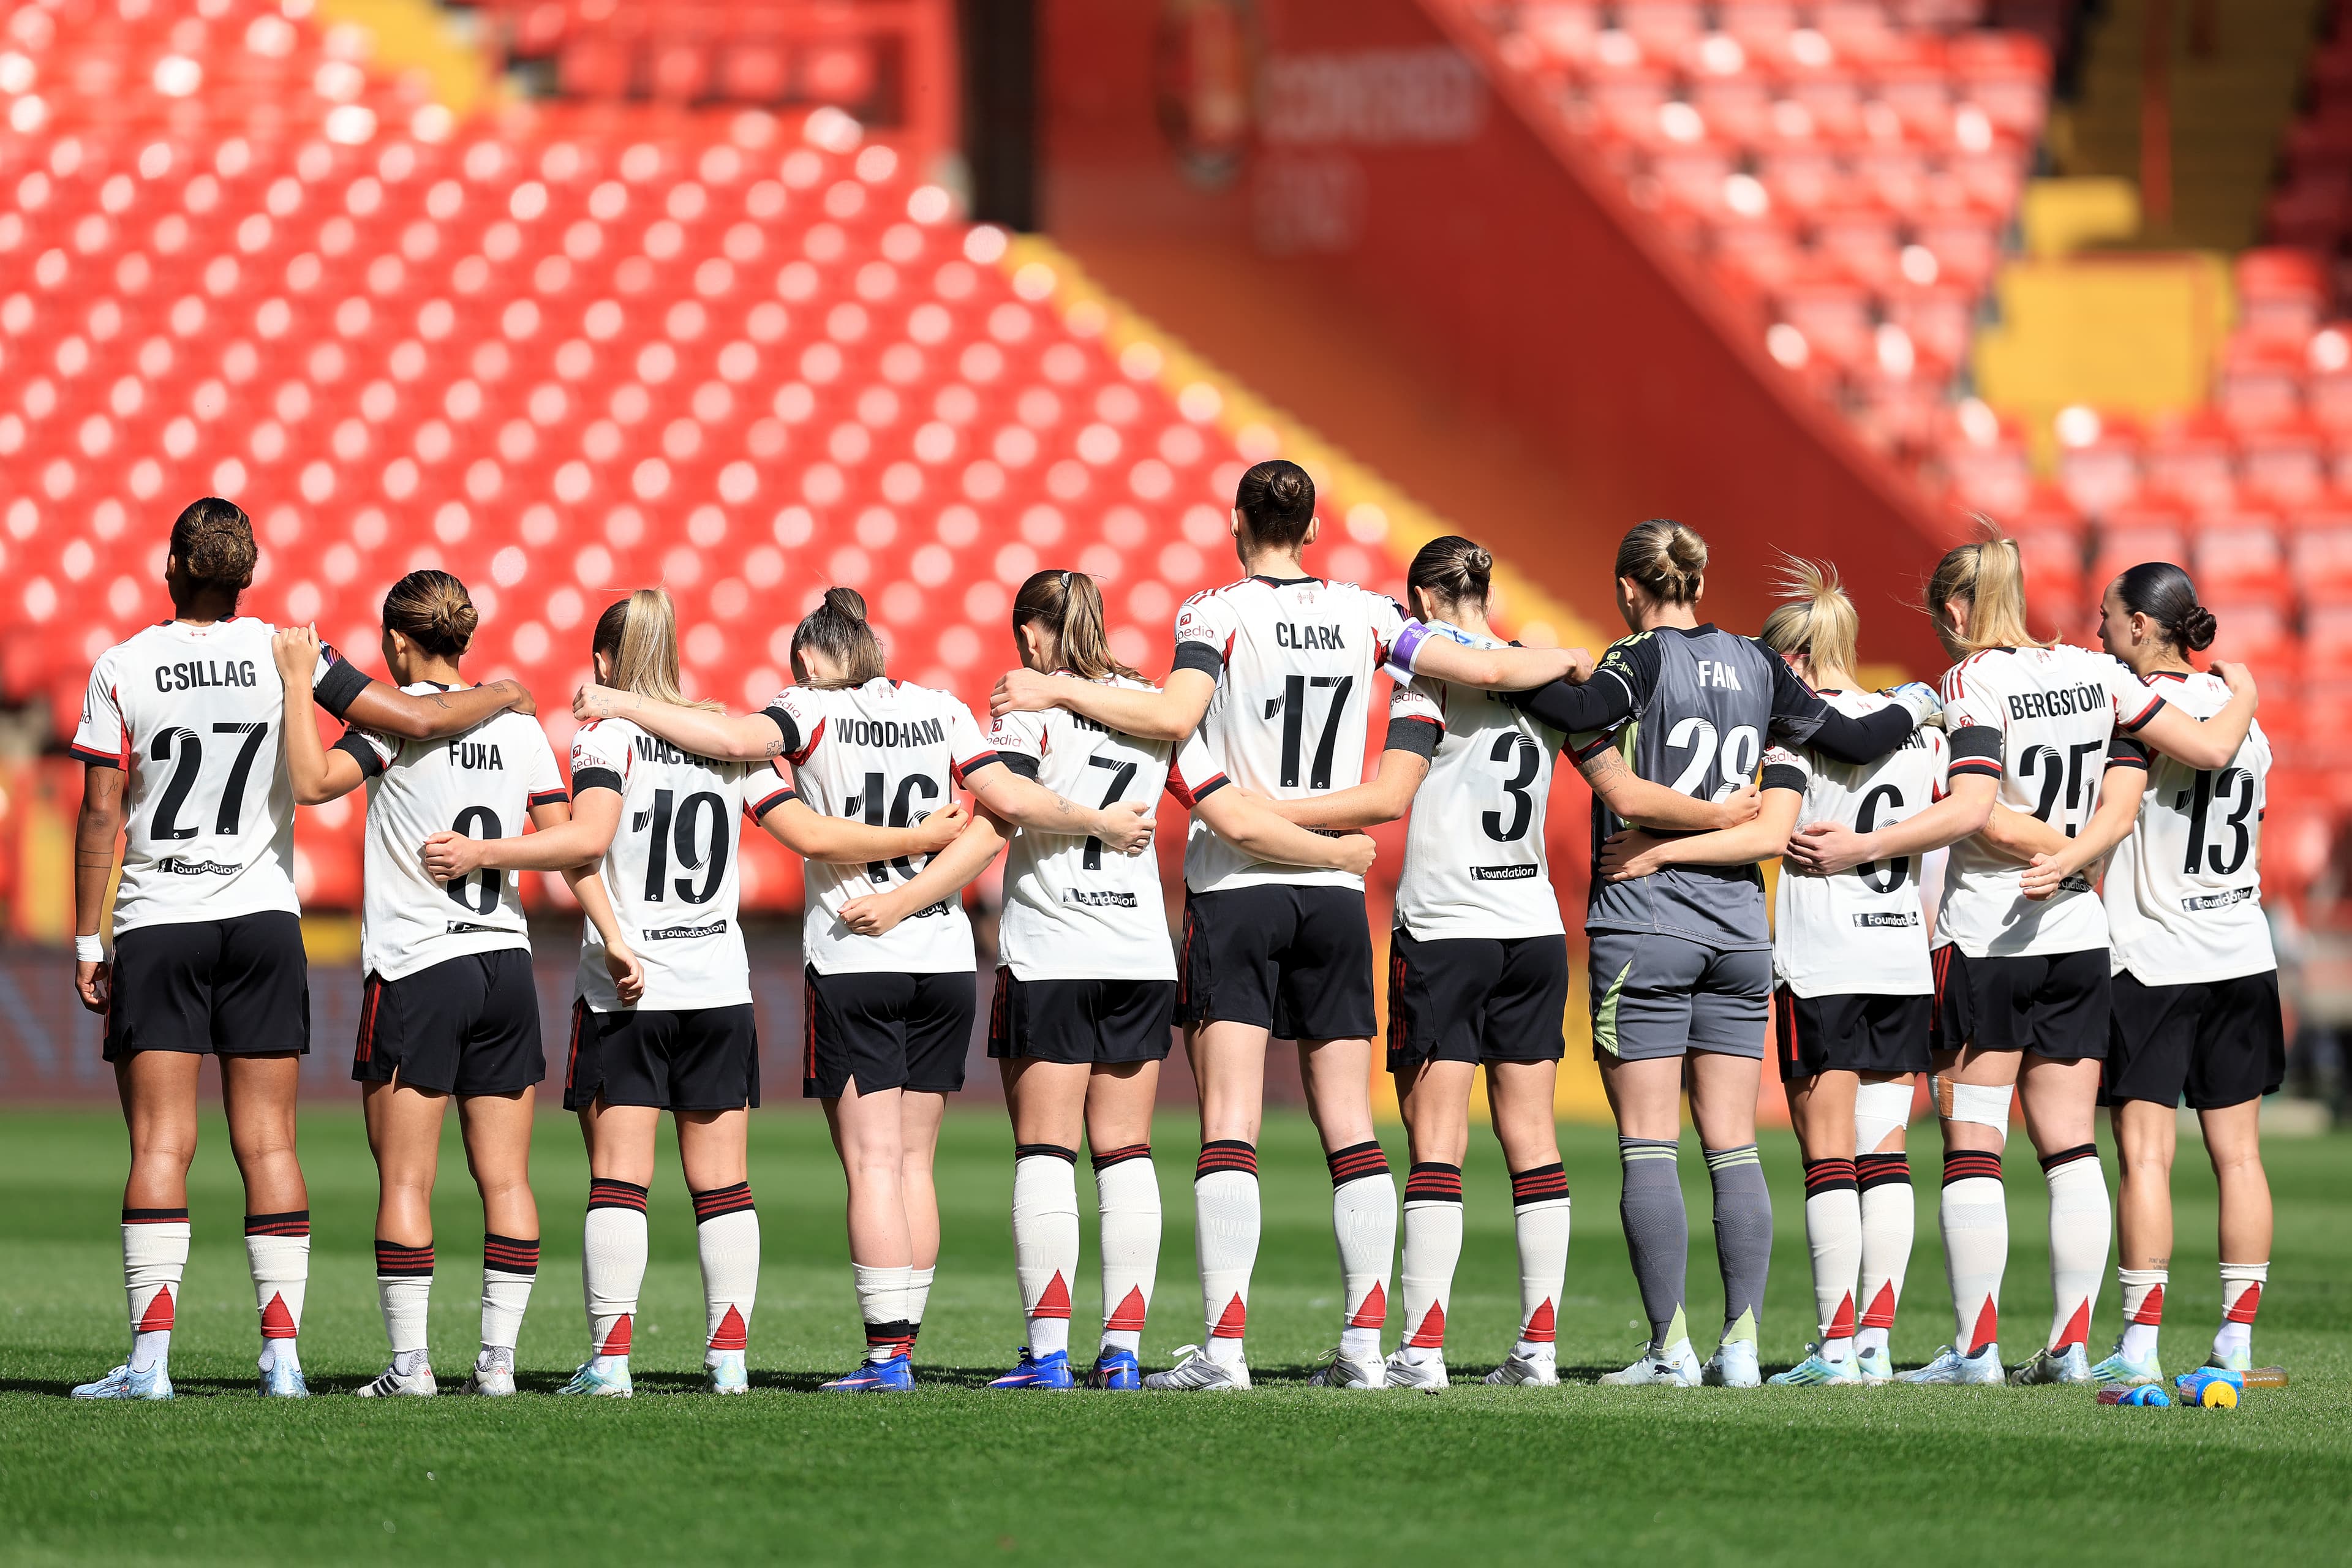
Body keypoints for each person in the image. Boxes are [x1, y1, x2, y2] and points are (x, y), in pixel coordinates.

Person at [992, 461, 1592, 1392]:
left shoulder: (1213, 612)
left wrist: (1061, 692)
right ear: (1311, 528)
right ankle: (1363, 1349)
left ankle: (1224, 1353)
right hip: (1336, 902)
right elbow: (1479, 666)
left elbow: (1178, 715)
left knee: (1230, 1121)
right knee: (1350, 1124)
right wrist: (1568, 659)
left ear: (1239, 521)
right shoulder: (1370, 615)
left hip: (1238, 886)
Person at [569, 586, 1162, 1393]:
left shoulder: (805, 711)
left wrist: (615, 701)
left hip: (855, 950)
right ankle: (911, 1348)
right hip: (946, 955)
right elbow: (1000, 813)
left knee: (874, 1164)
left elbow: (744, 746)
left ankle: (887, 1357)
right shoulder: (946, 710)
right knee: (916, 1163)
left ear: (812, 659)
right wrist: (927, 871)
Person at [426, 588, 957, 1398]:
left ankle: (610, 1364)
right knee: (725, 1185)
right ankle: (730, 1360)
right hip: (718, 985)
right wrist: (918, 840)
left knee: (618, 1180)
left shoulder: (607, 735)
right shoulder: (721, 737)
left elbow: (589, 839)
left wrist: (485, 853)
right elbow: (806, 835)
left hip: (632, 987)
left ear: (605, 664)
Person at [67, 497, 534, 1401]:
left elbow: (99, 812)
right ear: (248, 577)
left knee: (163, 1142)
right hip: (265, 920)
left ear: (172, 567)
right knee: (271, 1143)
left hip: (160, 914)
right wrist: (507, 692)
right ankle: (282, 1360)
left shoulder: (122, 664)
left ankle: (151, 1365)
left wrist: (90, 935)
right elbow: (418, 720)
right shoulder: (291, 652)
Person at [1260, 536, 1733, 1387]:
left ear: (1423, 601)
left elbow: (1392, 797)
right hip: (1535, 930)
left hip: (1446, 928)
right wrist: (1722, 815)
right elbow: (1625, 796)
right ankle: (1538, 1351)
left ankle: (1425, 1350)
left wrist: (1267, 811)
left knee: (1436, 1142)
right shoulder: (1544, 681)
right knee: (1534, 1142)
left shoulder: (1431, 675)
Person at [1788, 534, 2258, 1387]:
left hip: (1991, 933)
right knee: (2071, 1147)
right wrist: (2078, 854)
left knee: (1975, 1148)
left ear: (1958, 611)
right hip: (2081, 938)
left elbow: (1977, 810)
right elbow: (2198, 755)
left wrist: (1867, 845)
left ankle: (1975, 1355)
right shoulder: (2096, 670)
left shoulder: (1974, 681)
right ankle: (2072, 1348)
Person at [1504, 519, 1937, 1389]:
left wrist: (1525, 664)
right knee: (1734, 1147)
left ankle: (1670, 1349)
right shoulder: (1758, 662)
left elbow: (1578, 713)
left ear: (1630, 588)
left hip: (1648, 920)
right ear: (1697, 580)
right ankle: (1740, 1346)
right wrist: (1918, 703)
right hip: (1743, 925)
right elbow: (1852, 743)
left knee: (1648, 1146)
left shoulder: (1637, 658)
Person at [967, 569, 1382, 1391]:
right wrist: (1334, 851)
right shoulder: (1154, 710)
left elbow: (1005, 801)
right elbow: (1229, 814)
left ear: (1029, 636)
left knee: (1046, 1149)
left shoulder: (1028, 700)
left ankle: (1048, 1356)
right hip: (1138, 956)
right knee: (1126, 1153)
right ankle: (1121, 1354)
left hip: (1052, 947)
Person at [273, 572, 577, 1397]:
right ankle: (499, 1366)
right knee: (507, 1178)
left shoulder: (392, 728)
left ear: (400, 643)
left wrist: (303, 685)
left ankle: (410, 1367)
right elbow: (573, 845)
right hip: (507, 962)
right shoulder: (519, 729)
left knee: (405, 1180)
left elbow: (310, 782)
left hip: (418, 966)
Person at [2000, 565, 2280, 1387]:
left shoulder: (2135, 714)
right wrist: (2249, 692)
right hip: (2244, 956)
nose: (2097, 633)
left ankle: (2143, 1345)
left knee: (2147, 1158)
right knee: (2241, 1159)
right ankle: (2235, 1343)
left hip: (2156, 959)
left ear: (2143, 630)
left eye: (2107, 618)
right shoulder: (2246, 721)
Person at [1749, 559, 2000, 1386]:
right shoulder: (1921, 731)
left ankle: (1832, 1348)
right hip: (1901, 955)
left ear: (1794, 660)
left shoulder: (1796, 730)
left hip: (1823, 959)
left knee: (1827, 1156)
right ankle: (1877, 1345)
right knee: (1885, 1153)